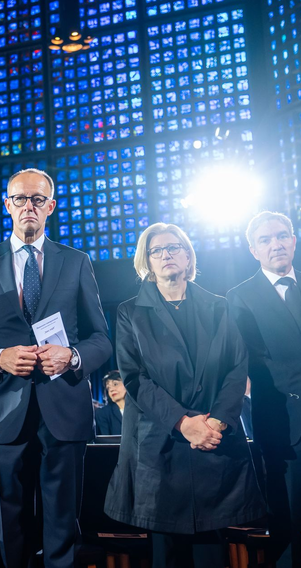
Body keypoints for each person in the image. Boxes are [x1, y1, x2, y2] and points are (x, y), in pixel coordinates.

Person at [0, 167, 112, 568]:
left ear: (50, 207)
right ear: (7, 205)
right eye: (20, 199)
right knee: (10, 524)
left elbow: (101, 340)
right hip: (2, 412)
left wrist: (72, 356)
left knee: (62, 525)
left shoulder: (76, 262)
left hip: (64, 411)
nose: (28, 207)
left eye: (37, 200)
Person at [105, 222, 265, 568]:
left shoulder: (218, 305)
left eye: (174, 247)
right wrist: (182, 422)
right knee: (168, 553)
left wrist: (216, 422)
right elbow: (135, 378)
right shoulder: (129, 312)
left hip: (213, 439)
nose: (167, 255)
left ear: (188, 255)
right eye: (157, 250)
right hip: (161, 443)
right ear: (146, 260)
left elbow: (237, 368)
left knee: (213, 550)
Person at [227, 211, 301, 567]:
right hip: (285, 424)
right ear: (253, 250)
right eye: (266, 240)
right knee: (291, 522)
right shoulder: (240, 297)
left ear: (294, 240)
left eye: (282, 236)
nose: (276, 244)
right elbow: (248, 363)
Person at [95, 370, 126, 436]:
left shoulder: (140, 410)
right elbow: (106, 442)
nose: (111, 389)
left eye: (115, 384)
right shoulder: (102, 413)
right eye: (108, 388)